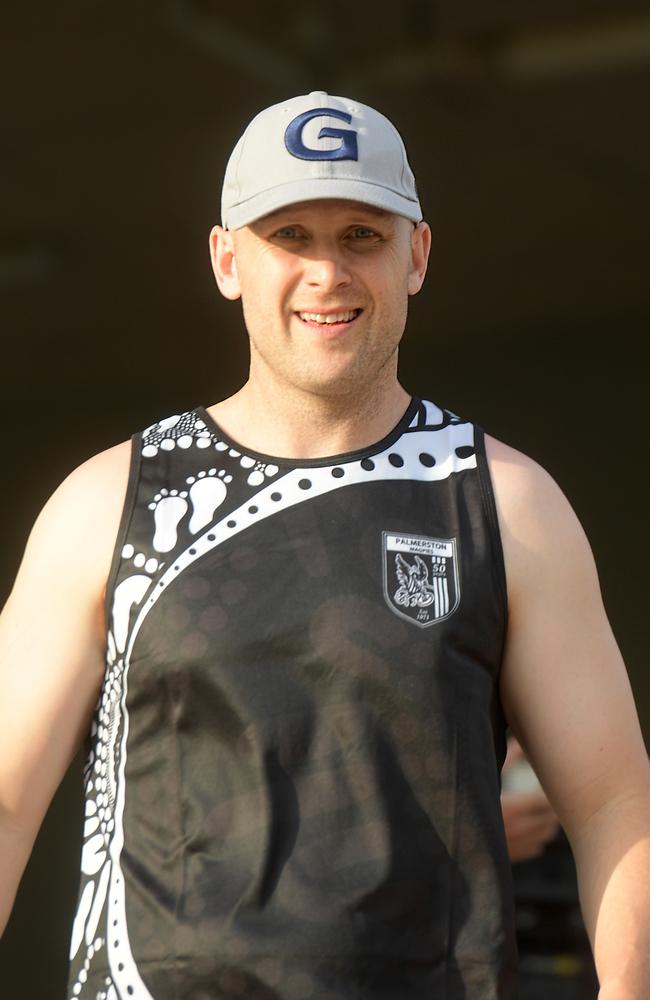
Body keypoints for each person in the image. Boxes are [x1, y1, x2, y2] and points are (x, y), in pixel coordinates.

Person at [1, 92, 649, 1000]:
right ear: (229, 260)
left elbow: (620, 806)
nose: (326, 272)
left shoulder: (505, 504)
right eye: (290, 236)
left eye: (361, 237)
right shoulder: (112, 502)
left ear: (416, 256)